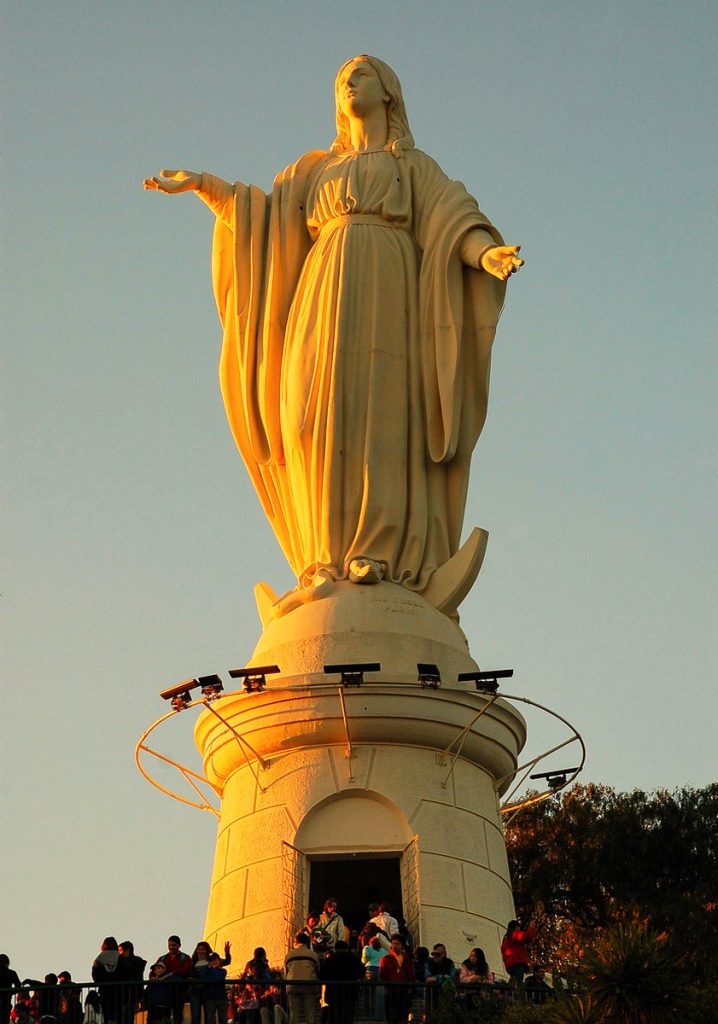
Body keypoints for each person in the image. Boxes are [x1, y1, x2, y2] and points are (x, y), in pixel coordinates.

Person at [144, 55, 522, 615]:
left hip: (390, 286)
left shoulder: (412, 167)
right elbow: (267, 221)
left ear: (388, 94)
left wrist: (484, 253)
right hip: (322, 287)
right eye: (343, 78)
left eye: (362, 74)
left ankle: (378, 556)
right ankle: (321, 555)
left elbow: (452, 220)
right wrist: (208, 187)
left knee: (381, 420)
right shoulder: (317, 169)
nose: (349, 82)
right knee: (303, 419)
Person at [319, 942, 364, 1024]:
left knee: (334, 1017)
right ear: (347, 949)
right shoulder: (353, 959)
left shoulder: (330, 959)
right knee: (348, 1017)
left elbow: (322, 975)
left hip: (333, 993)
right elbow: (361, 973)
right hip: (349, 992)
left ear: (335, 949)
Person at [284, 932, 320, 1024]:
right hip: (309, 985)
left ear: (296, 941)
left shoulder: (289, 955)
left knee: (294, 1015)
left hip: (292, 986)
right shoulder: (313, 955)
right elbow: (318, 970)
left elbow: (286, 973)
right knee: (310, 1014)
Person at [92, 938, 129, 1024]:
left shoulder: (99, 958)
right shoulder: (120, 958)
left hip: (105, 992)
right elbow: (126, 973)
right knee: (119, 1015)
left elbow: (95, 977)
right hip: (119, 992)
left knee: (106, 1016)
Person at [378, 935, 414, 1024]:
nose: (395, 946)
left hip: (404, 991)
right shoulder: (386, 959)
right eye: (393, 943)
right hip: (391, 991)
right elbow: (383, 975)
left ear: (402, 945)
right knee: (391, 1016)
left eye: (397, 943)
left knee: (403, 1016)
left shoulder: (407, 959)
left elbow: (411, 974)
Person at [156, 936, 192, 1024]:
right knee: (165, 1014)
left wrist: (171, 974)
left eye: (174, 945)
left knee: (178, 1013)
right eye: (170, 945)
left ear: (179, 945)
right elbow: (154, 970)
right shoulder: (163, 958)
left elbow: (185, 969)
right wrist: (152, 977)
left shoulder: (185, 957)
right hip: (165, 991)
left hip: (179, 991)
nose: (171, 947)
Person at [423, 944, 456, 1021]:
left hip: (445, 995)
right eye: (433, 954)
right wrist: (443, 977)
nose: (434, 956)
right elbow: (428, 979)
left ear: (444, 954)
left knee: (446, 1017)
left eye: (437, 954)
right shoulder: (428, 963)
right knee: (431, 1017)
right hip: (431, 995)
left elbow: (452, 977)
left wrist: (436, 978)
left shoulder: (449, 963)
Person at [118, 942, 147, 1024]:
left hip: (130, 994)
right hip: (131, 995)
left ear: (127, 950)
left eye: (120, 950)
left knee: (126, 1015)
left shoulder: (133, 963)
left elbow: (134, 975)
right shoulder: (137, 962)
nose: (119, 953)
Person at [500, 920, 536, 985]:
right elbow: (526, 936)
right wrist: (531, 927)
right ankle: (518, 993)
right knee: (519, 984)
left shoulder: (506, 939)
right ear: (516, 927)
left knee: (513, 981)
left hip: (510, 964)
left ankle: (510, 992)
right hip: (517, 963)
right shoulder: (513, 935)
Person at [0, 955, 22, 1024]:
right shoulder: (11, 973)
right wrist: (10, 992)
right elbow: (18, 986)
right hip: (6, 1001)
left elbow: (18, 986)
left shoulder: (11, 973)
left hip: (5, 1001)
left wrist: (9, 992)